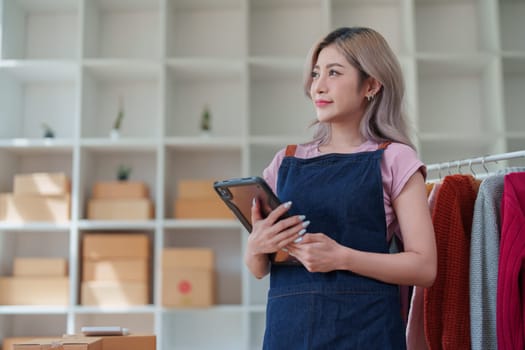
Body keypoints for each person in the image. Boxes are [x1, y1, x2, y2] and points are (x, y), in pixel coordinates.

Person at [244, 27, 437, 349]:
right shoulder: (285, 161)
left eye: (334, 73)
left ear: (371, 85)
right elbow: (259, 270)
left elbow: (424, 267)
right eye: (316, 73)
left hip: (367, 332)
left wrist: (342, 257)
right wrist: (255, 246)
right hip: (287, 333)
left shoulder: (395, 158)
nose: (318, 86)